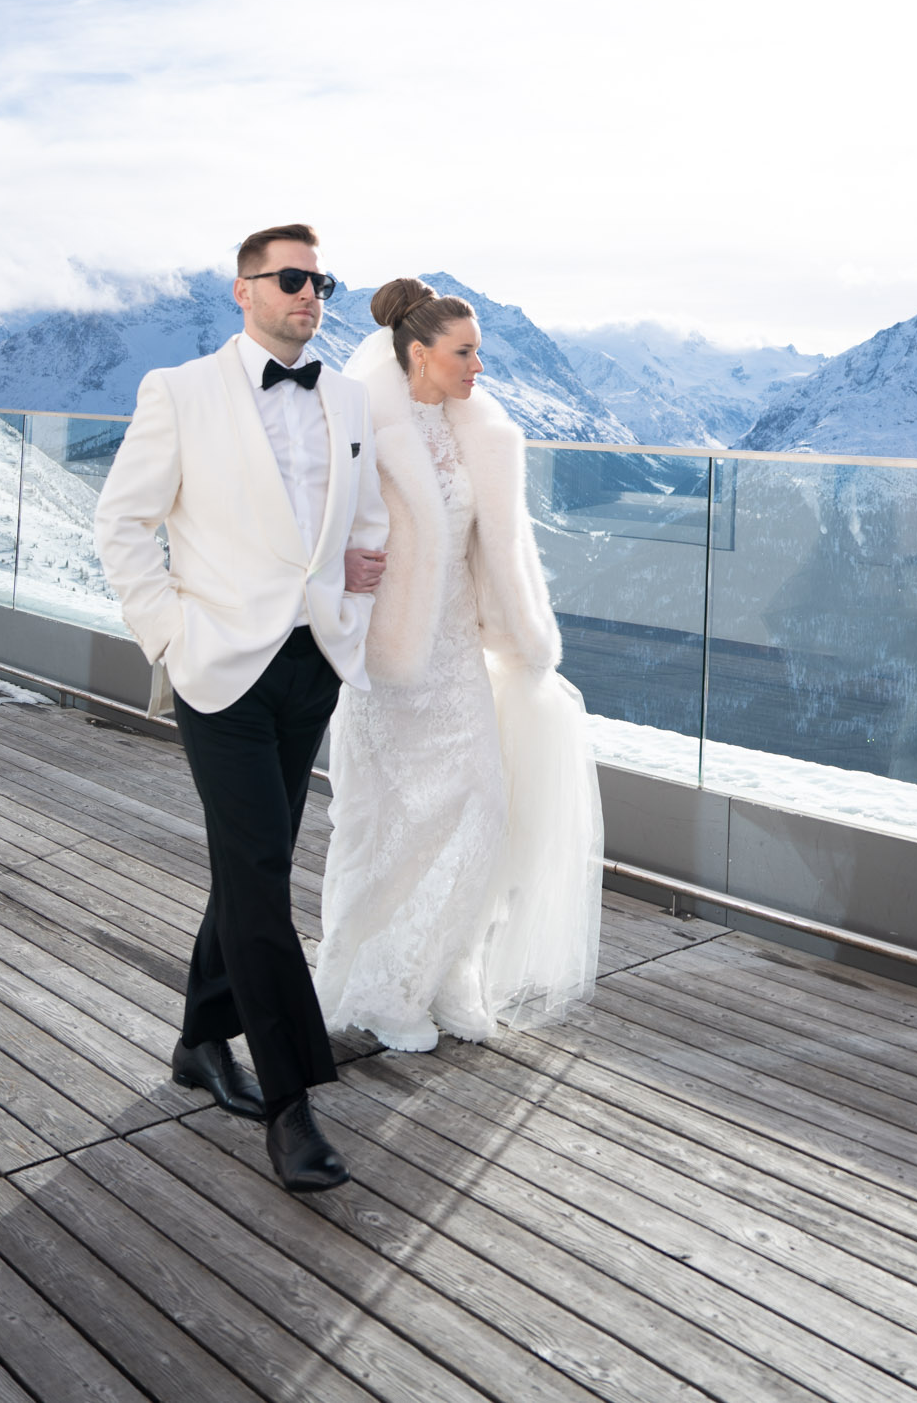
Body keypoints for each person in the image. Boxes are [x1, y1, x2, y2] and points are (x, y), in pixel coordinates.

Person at [94, 223, 388, 1194]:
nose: (310, 294)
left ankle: (198, 1040)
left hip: (312, 663)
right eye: (291, 277)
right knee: (260, 872)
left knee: (252, 860)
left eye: (321, 281)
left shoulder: (347, 397)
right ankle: (294, 1103)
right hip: (218, 668)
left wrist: (350, 603)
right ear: (244, 289)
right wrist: (168, 635)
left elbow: (366, 520)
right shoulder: (178, 391)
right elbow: (122, 523)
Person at [314, 278, 602, 1051]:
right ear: (419, 353)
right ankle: (383, 990)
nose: (480, 367)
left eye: (479, 351)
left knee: (481, 810)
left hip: (458, 653)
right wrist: (340, 576)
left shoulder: (477, 429)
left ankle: (441, 972)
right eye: (465, 352)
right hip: (390, 661)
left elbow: (499, 546)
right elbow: (316, 520)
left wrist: (522, 632)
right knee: (396, 825)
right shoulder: (363, 423)